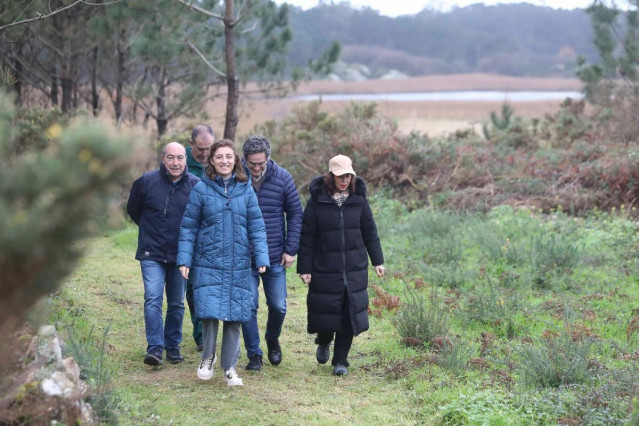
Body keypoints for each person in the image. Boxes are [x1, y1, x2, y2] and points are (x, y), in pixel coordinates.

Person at [177, 139, 270, 386]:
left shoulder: (245, 188)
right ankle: (207, 357)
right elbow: (188, 227)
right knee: (208, 311)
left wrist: (261, 257)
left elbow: (257, 225)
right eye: (219, 157)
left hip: (239, 261)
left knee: (234, 315)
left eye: (228, 156)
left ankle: (230, 367)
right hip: (208, 259)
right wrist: (184, 259)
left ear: (235, 160)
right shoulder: (201, 189)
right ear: (212, 161)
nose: (224, 161)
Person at [297, 154, 385, 376]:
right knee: (328, 312)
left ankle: (341, 361)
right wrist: (304, 268)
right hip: (325, 266)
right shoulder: (318, 201)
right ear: (330, 176)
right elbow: (307, 236)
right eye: (340, 176)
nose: (344, 180)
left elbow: (370, 232)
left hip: (354, 267)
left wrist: (378, 261)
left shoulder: (359, 200)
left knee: (349, 314)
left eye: (348, 176)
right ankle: (324, 339)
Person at [127, 142, 200, 366]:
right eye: (170, 158)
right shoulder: (146, 182)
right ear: (162, 158)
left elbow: (200, 218)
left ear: (185, 160)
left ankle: (173, 347)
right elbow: (134, 210)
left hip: (181, 255)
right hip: (152, 252)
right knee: (153, 298)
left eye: (179, 158)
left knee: (177, 303)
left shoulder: (196, 186)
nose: (175, 163)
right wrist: (150, 229)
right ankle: (155, 348)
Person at [240, 136, 303, 371]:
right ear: (245, 160)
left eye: (261, 163)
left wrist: (290, 249)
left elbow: (296, 214)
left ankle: (272, 338)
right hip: (245, 256)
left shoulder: (282, 177)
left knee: (278, 306)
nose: (256, 168)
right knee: (248, 306)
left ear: (268, 158)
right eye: (252, 163)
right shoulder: (237, 178)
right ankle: (254, 354)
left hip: (275, 253)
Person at [184, 124, 215, 351]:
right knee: (194, 287)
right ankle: (200, 334)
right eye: (200, 149)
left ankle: (212, 329)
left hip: (214, 235)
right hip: (190, 235)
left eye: (208, 148)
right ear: (191, 144)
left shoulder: (220, 161)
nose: (204, 153)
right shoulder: (180, 162)